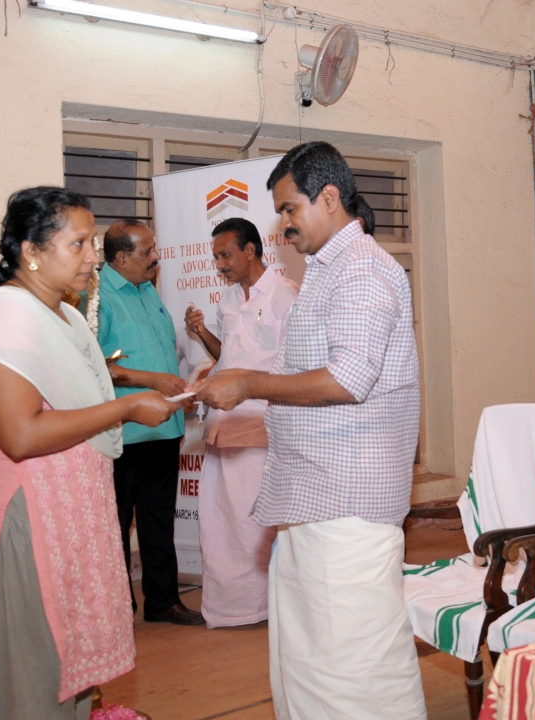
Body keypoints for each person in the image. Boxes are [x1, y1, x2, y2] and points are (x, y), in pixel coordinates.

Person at [192, 142, 426, 719]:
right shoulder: (326, 269)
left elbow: (349, 378)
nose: (284, 225)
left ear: (329, 197)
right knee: (309, 659)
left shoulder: (364, 270)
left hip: (348, 501)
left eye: (290, 209)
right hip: (314, 494)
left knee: (354, 665)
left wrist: (250, 383)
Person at [0, 187, 180, 718]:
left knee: (70, 667)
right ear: (32, 250)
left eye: (93, 243)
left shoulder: (65, 316)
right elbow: (21, 435)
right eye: (78, 244)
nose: (93, 257)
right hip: (29, 511)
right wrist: (126, 408)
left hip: (70, 511)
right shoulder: (4, 314)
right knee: (36, 673)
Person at [183, 217, 298, 628]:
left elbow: (293, 367)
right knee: (221, 522)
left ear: (251, 251)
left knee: (257, 524)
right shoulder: (228, 299)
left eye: (226, 255)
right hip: (223, 428)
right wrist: (201, 333)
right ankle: (230, 608)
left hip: (262, 430)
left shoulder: (286, 295)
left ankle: (267, 606)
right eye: (216, 257)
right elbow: (228, 357)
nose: (220, 264)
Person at [93, 220, 203, 625]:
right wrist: (153, 381)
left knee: (159, 520)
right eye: (148, 251)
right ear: (121, 258)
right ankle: (119, 609)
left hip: (164, 428)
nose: (157, 257)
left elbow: (160, 351)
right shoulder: (97, 297)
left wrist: (178, 394)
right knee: (117, 524)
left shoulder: (148, 289)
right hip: (124, 432)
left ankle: (163, 600)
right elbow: (96, 366)